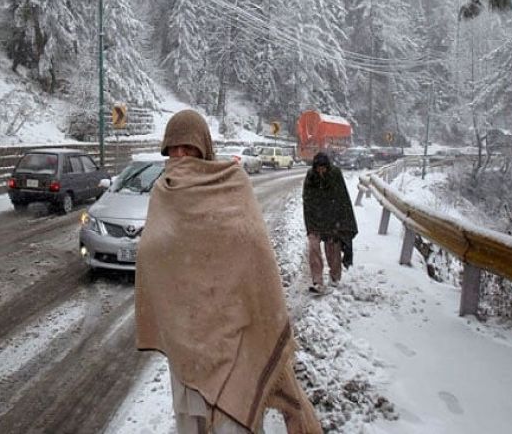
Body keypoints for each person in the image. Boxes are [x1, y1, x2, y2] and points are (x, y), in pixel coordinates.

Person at [135, 110, 321, 434]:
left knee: (232, 420)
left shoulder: (232, 183)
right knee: (191, 421)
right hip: (185, 341)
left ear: (203, 149)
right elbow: (152, 254)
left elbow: (253, 249)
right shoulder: (163, 193)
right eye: (173, 149)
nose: (180, 156)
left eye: (188, 148)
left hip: (231, 335)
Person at [302, 151, 358, 294]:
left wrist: (341, 222)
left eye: (323, 168)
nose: (321, 171)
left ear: (327, 167)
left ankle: (335, 278)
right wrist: (310, 222)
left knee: (333, 250)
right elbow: (307, 199)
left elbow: (342, 198)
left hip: (332, 219)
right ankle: (317, 281)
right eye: (318, 168)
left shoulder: (335, 175)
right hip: (315, 218)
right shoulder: (310, 177)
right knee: (313, 248)